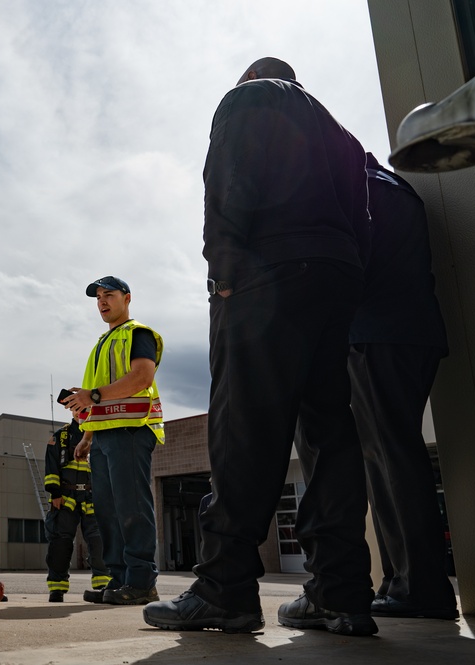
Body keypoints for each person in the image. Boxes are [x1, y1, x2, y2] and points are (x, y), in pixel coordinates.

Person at [143, 57, 377, 636]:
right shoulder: (343, 136)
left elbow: (228, 182)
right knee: (329, 434)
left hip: (266, 276)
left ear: (251, 76)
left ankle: (225, 589)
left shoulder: (248, 100)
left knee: (243, 426)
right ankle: (340, 592)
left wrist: (224, 272)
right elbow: (363, 218)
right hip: (335, 278)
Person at [343, 153, 457, 620]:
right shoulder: (396, 187)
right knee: (394, 454)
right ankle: (400, 581)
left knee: (388, 458)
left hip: (376, 334)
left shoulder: (355, 187)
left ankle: (418, 587)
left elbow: (351, 263)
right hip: (415, 331)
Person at [61, 275, 164, 606]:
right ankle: (118, 581)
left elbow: (141, 377)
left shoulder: (138, 334)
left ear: (127, 298)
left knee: (131, 507)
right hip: (105, 436)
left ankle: (141, 581)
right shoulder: (101, 345)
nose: (102, 301)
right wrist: (87, 435)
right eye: (98, 298)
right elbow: (97, 397)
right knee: (107, 512)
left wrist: (92, 395)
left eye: (109, 295)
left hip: (132, 431)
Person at [43, 418, 110, 602]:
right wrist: (55, 492)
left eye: (84, 408)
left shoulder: (100, 434)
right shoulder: (60, 437)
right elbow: (51, 466)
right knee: (60, 542)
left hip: (92, 497)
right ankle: (57, 588)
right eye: (77, 409)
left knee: (99, 540)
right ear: (72, 410)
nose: (81, 412)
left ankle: (103, 586)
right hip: (65, 497)